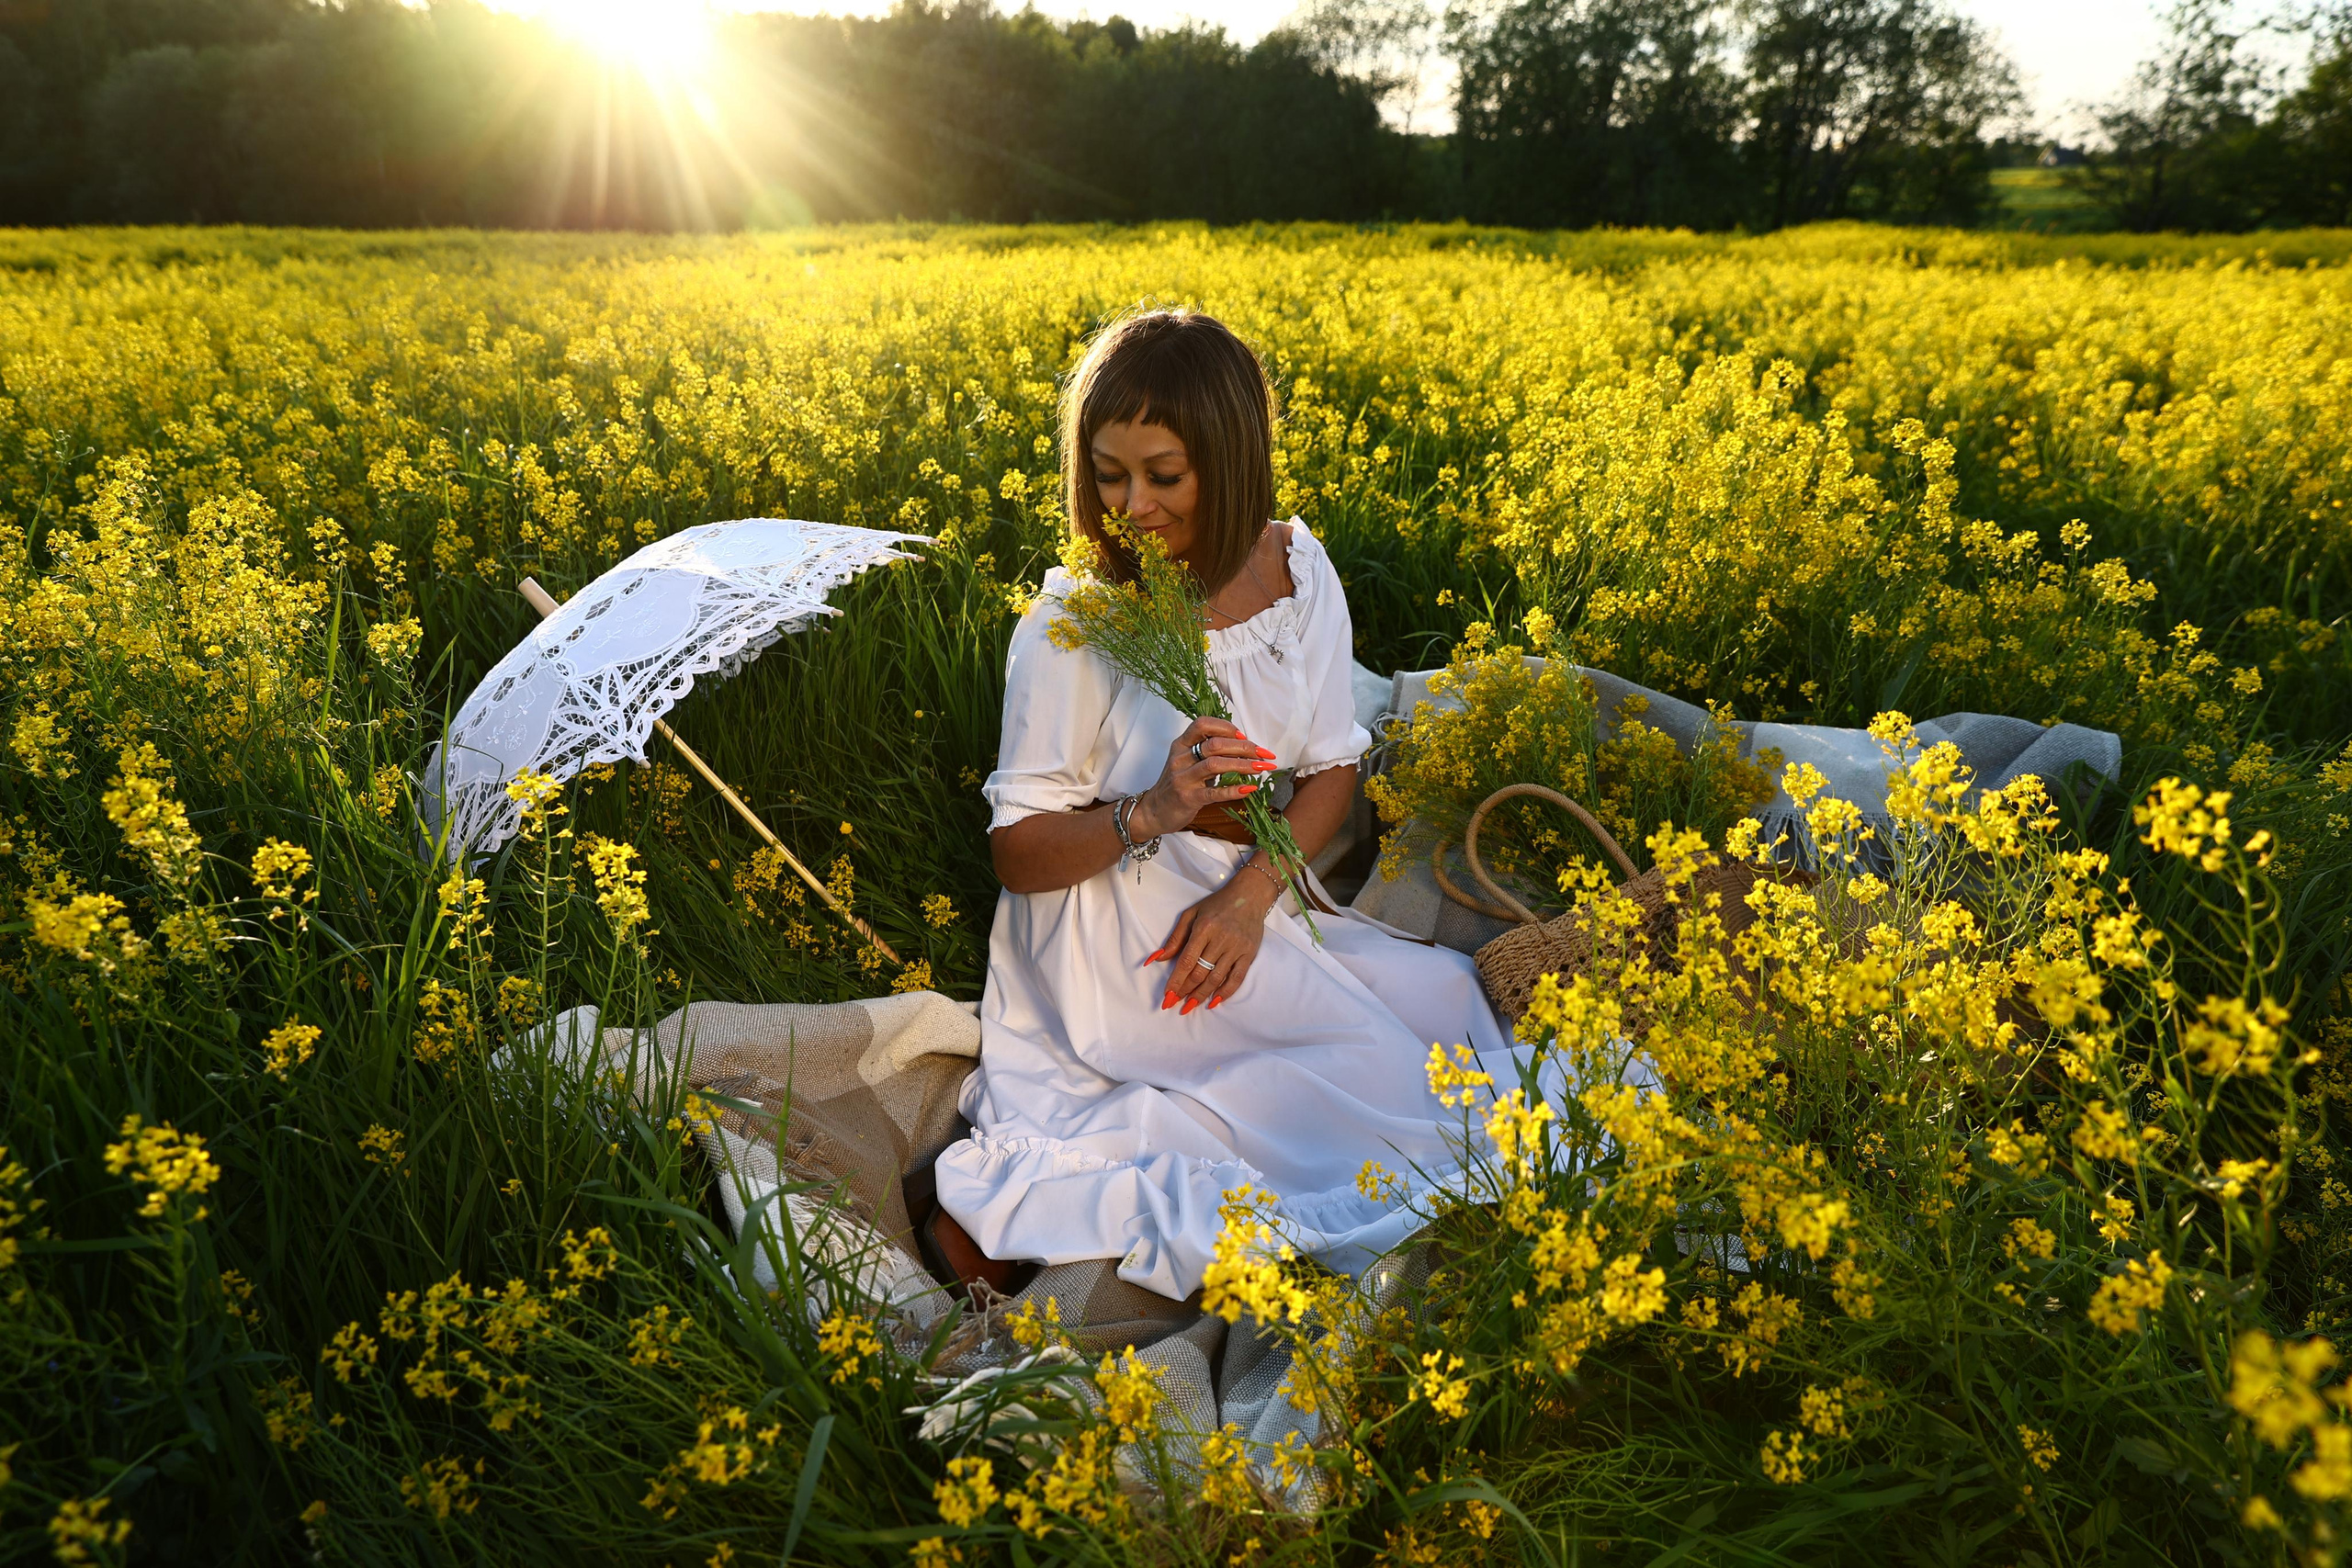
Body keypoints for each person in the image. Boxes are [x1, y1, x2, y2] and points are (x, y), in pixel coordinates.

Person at [928, 308, 1521, 1302]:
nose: (1130, 505)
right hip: (1116, 926)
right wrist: (1151, 811)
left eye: (1163, 475)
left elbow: (1333, 767)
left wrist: (1254, 894)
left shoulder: (1296, 569)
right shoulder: (1075, 624)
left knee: (1447, 1001)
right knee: (1381, 1089)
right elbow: (1019, 855)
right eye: (1109, 473)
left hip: (1246, 889)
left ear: (1233, 456)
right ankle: (1004, 1215)